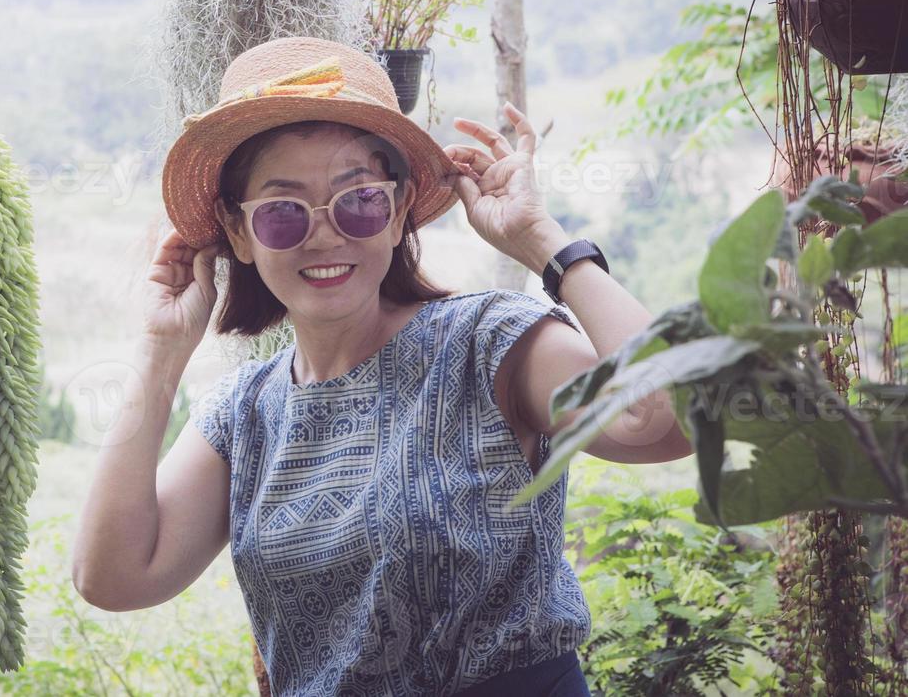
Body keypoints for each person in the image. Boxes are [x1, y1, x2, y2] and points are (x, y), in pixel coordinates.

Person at [72, 36, 693, 696]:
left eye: (358, 200)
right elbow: (111, 576)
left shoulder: (486, 345)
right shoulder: (245, 415)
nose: (325, 232)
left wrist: (544, 243)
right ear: (238, 231)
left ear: (398, 213)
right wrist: (161, 353)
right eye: (283, 212)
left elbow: (666, 417)